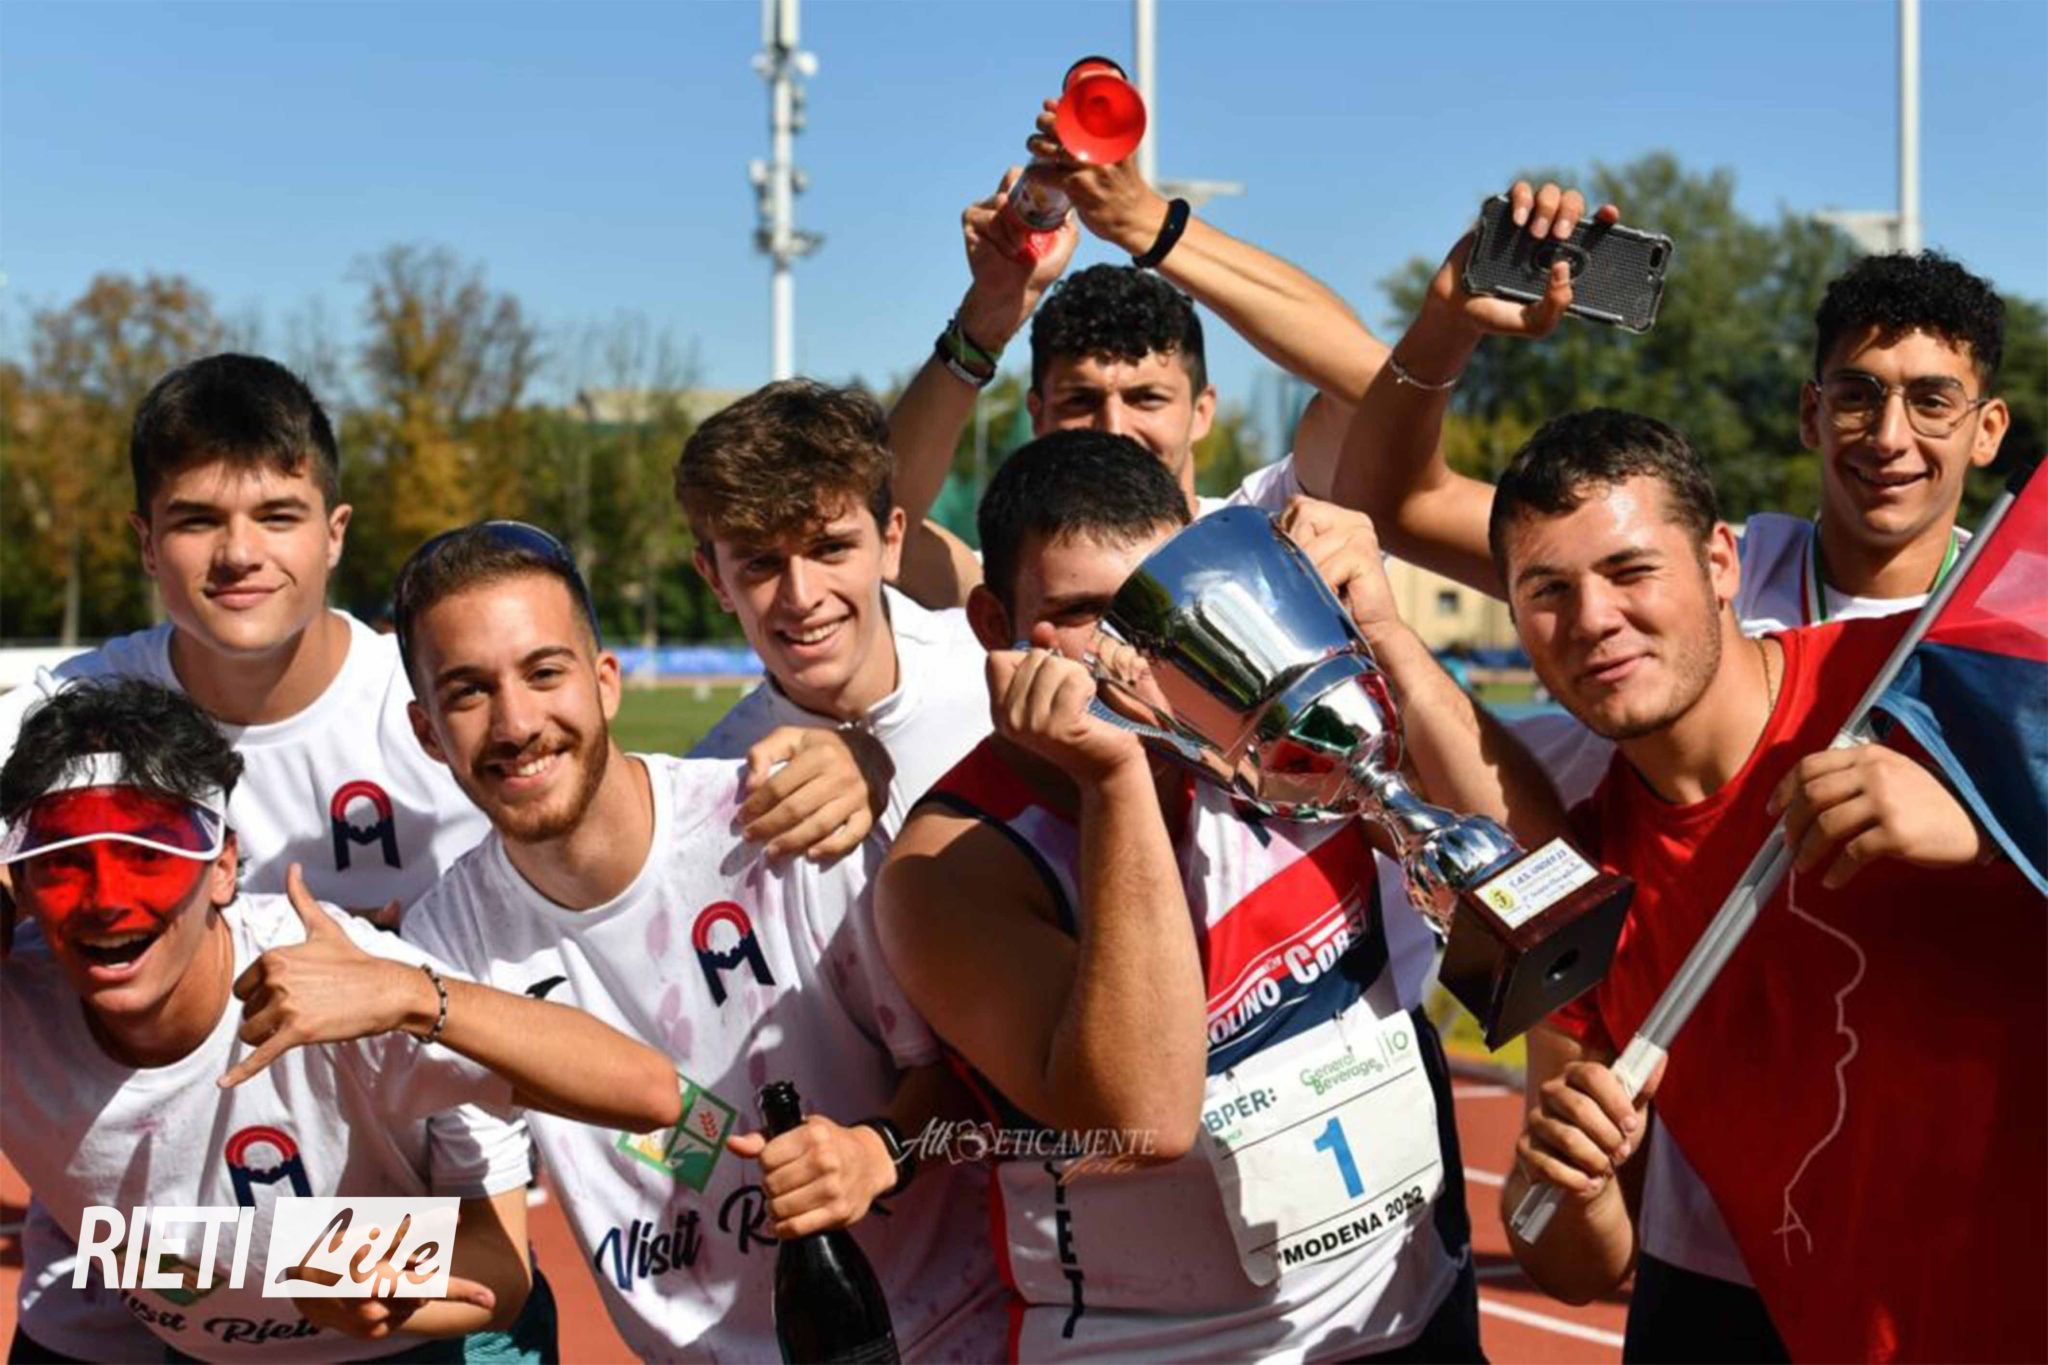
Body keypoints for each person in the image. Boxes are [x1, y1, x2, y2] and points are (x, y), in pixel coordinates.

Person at [875, 429, 1569, 1360]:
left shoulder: (1274, 724)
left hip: (1412, 1314)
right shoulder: (950, 864)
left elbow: (1532, 873)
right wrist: (1114, 779)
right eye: (1084, 614)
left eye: (1155, 605)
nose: (1129, 657)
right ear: (994, 623)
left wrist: (1388, 636)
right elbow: (1142, 1119)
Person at [1480, 411, 2041, 1362]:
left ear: (1720, 562)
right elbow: (1574, 1267)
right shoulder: (1574, 893)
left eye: (1629, 569)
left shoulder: (1917, 685)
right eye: (1548, 590)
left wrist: (1997, 825)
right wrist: (1567, 1184)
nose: (1593, 619)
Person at [391, 520, 1003, 1361]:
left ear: (605, 681)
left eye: (544, 672)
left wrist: (878, 1152)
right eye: (468, 692)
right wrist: (256, 1254)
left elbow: (979, 1089)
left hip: (943, 1335)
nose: (516, 722)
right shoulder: (444, 946)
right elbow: (495, 1262)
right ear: (427, 731)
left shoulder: (779, 825)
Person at [0, 677, 681, 1363]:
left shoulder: (346, 984)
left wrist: (413, 997)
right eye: (61, 863)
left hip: (435, 1342)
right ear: (20, 884)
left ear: (223, 867)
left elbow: (647, 1094)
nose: (107, 901)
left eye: (151, 856)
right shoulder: (20, 1008)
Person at [886, 104, 1397, 573]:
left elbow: (1378, 391)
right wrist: (987, 318)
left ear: (1202, 411)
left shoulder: (1275, 530)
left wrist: (1148, 225)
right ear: (1037, 415)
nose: (1114, 428)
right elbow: (883, 526)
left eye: (1147, 398)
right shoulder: (1012, 586)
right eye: (1080, 400)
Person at [678, 379, 993, 833]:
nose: (802, 597)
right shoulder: (714, 792)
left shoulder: (999, 676)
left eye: (830, 549)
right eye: (761, 563)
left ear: (891, 543)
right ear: (715, 579)